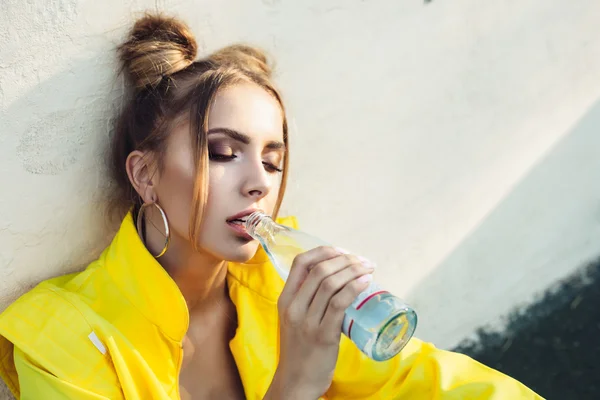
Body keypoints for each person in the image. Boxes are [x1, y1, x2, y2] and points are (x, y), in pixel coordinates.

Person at [0, 13, 543, 400]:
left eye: (274, 160)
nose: (259, 182)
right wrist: (297, 383)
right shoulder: (64, 342)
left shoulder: (283, 283)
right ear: (145, 174)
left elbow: (423, 381)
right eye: (223, 152)